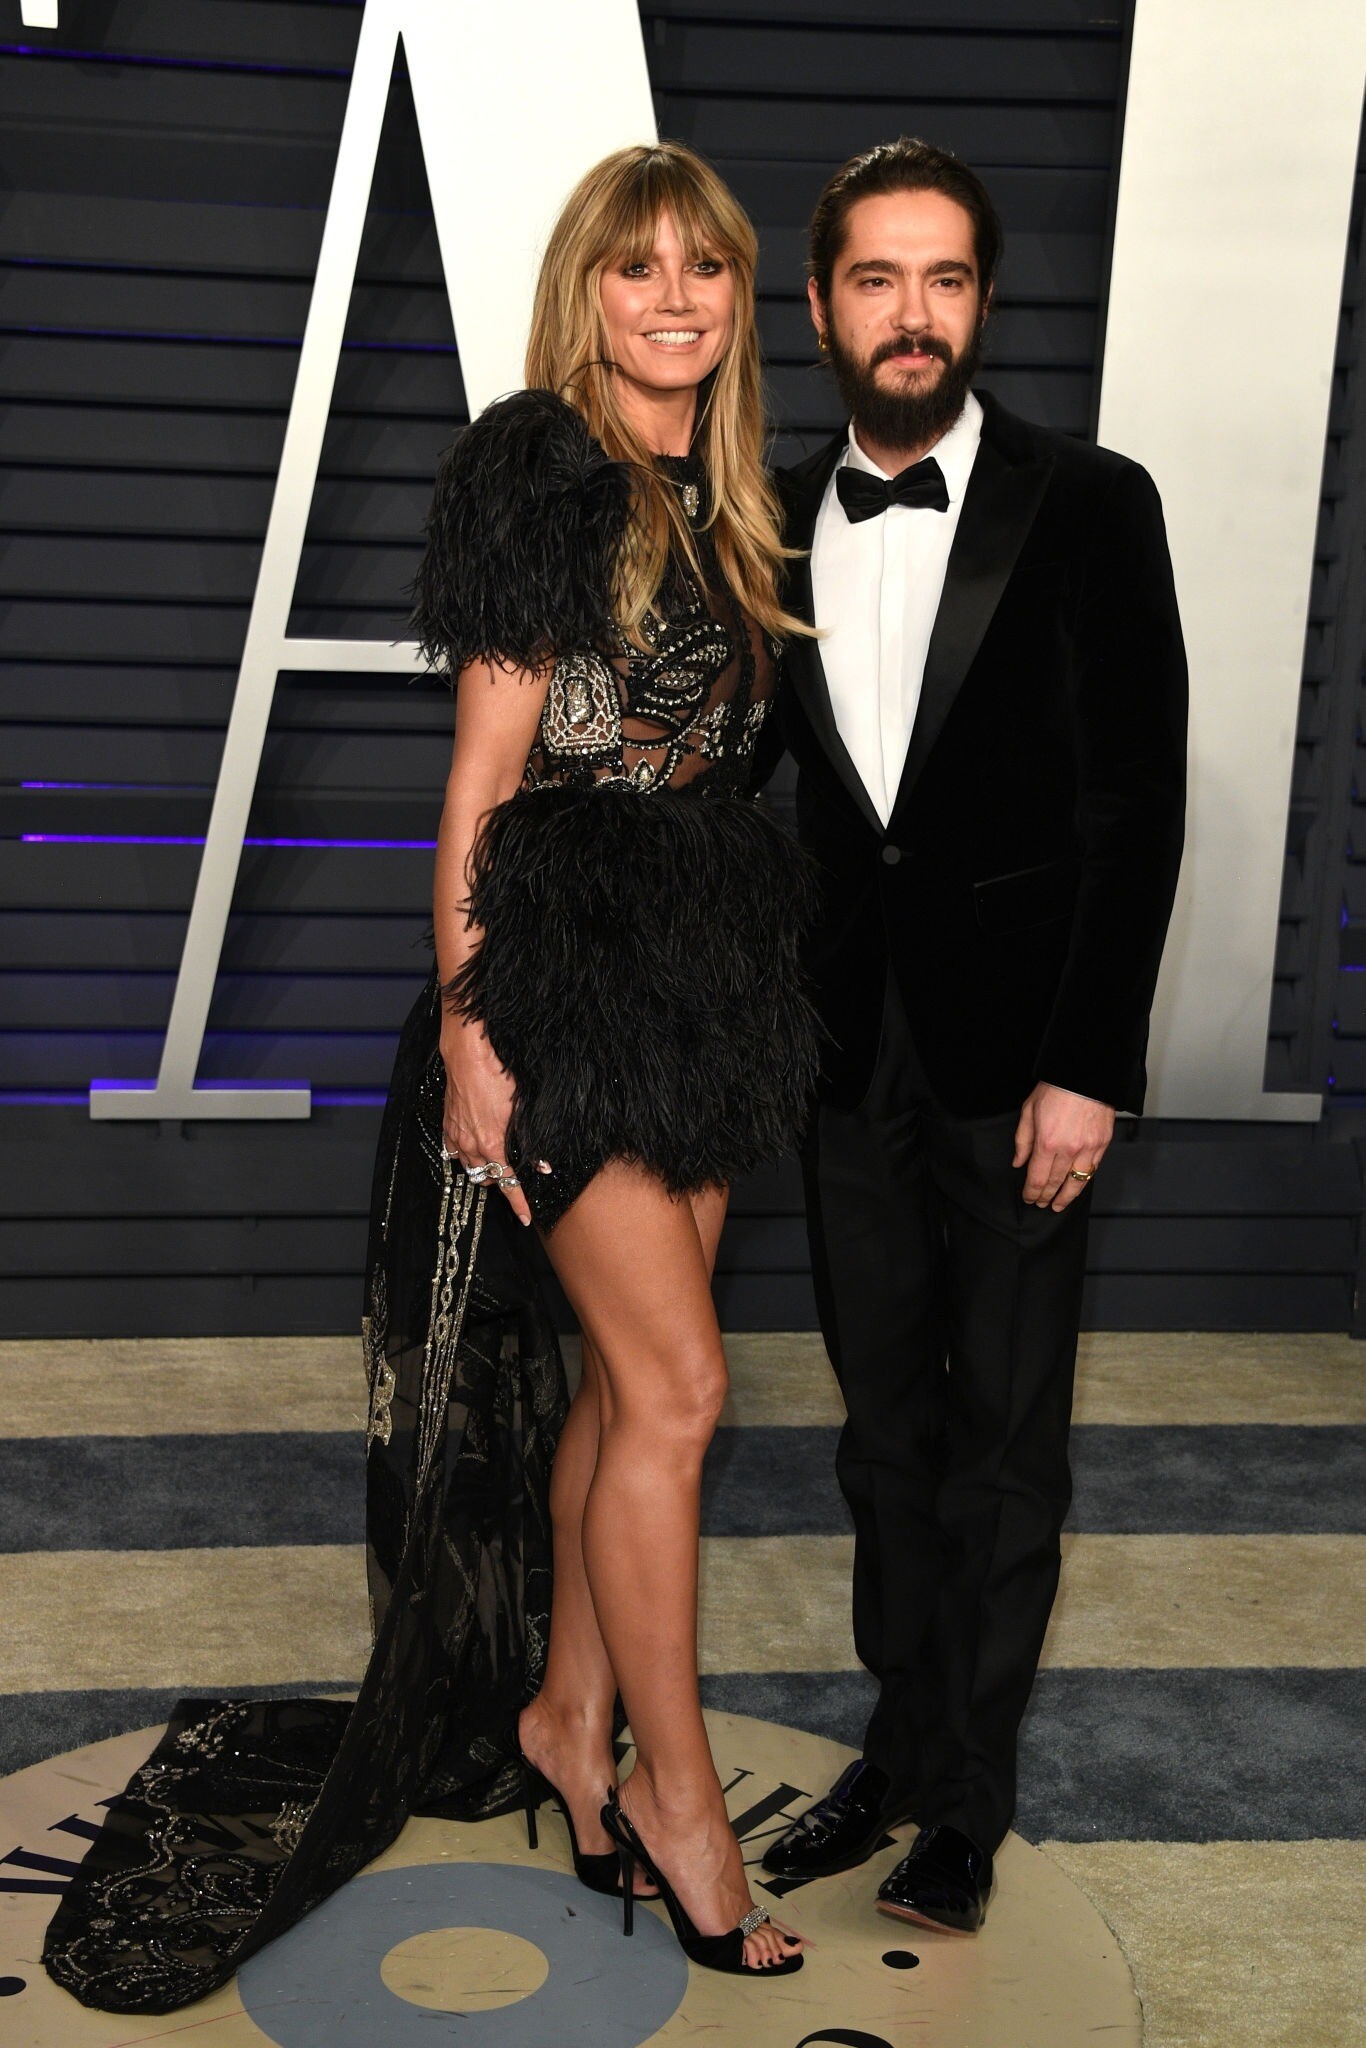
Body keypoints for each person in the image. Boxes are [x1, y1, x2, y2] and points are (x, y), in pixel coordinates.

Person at [43, 142, 813, 2014]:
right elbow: (477, 784)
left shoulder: (725, 501)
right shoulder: (541, 469)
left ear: (737, 298)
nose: (675, 299)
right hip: (561, 992)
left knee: (627, 1388)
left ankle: (565, 1722)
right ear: (585, 293)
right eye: (636, 268)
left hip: (701, 989)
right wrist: (473, 1029)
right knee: (684, 1391)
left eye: (704, 268)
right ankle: (677, 1802)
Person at [756, 137, 1187, 1935]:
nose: (911, 313)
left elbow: (1133, 803)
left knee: (1004, 1447)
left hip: (1024, 1072)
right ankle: (899, 1737)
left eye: (942, 279)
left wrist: (1089, 1066)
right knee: (880, 1439)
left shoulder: (1090, 501)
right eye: (877, 278)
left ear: (983, 301)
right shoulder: (767, 513)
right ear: (821, 306)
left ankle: (968, 1801)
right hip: (843, 1057)